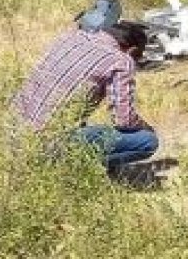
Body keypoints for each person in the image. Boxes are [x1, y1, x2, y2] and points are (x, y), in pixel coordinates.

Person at [11, 18, 158, 171]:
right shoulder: (121, 60)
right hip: (44, 144)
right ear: (131, 50)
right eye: (137, 57)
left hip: (14, 135)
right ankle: (74, 170)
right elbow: (124, 120)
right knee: (147, 141)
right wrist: (146, 127)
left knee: (78, 119)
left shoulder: (70, 38)